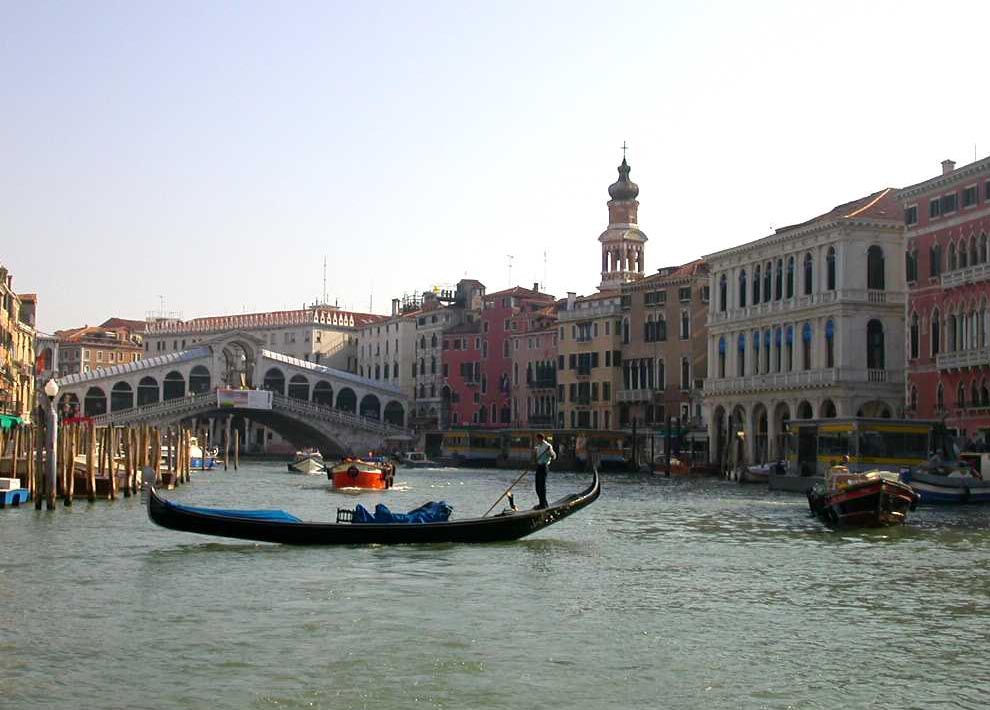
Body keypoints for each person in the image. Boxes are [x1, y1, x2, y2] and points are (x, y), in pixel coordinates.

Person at [533, 433, 556, 509]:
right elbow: (536, 456)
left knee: (542, 487)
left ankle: (543, 505)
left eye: (537, 439)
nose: (536, 440)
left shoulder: (547, 446)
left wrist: (550, 452)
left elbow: (554, 457)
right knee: (537, 487)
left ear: (541, 438)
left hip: (544, 467)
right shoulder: (538, 446)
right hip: (539, 467)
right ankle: (542, 503)